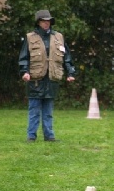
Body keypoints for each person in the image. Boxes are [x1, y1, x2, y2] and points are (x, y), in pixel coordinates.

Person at [19, 10, 76, 142]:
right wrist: (25, 72)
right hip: (35, 79)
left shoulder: (59, 37)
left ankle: (49, 136)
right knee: (34, 110)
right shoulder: (29, 38)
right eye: (44, 21)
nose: (46, 23)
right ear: (38, 22)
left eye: (48, 21)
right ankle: (31, 136)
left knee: (48, 111)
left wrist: (70, 73)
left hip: (52, 78)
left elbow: (67, 57)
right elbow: (24, 58)